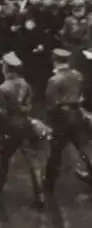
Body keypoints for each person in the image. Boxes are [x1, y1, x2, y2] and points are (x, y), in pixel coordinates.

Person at [0, 52, 48, 210]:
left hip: (10, 128)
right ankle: (40, 195)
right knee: (33, 161)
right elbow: (29, 105)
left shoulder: (3, 88)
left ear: (6, 68)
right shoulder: (25, 84)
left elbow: (0, 113)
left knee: (4, 157)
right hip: (25, 124)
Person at [44, 48, 92, 195]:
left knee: (56, 151)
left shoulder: (54, 80)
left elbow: (51, 104)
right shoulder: (78, 75)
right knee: (84, 149)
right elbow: (81, 95)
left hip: (62, 118)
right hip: (77, 115)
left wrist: (51, 121)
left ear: (55, 61)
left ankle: (49, 184)